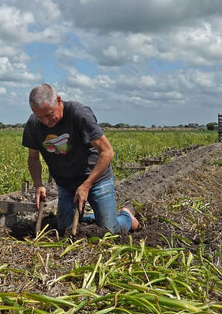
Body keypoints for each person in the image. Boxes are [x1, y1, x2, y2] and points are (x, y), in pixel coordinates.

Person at [22, 83, 139, 235]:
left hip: (96, 180)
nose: (46, 121)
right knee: (65, 230)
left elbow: (107, 152)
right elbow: (33, 158)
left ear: (58, 100)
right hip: (66, 184)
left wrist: (86, 185)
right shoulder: (33, 124)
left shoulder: (79, 114)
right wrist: (38, 185)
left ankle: (126, 217)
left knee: (109, 231)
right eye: (40, 117)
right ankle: (94, 218)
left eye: (49, 114)